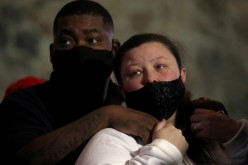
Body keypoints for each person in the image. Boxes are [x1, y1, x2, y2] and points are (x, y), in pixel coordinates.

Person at [0, 1, 158, 165]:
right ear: (52, 52)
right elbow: (24, 159)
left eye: (93, 40)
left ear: (114, 50)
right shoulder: (23, 103)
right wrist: (106, 116)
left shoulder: (131, 100)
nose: (80, 51)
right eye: (66, 42)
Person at [75, 33, 248, 164]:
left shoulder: (209, 134)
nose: (150, 78)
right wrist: (164, 152)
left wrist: (236, 136)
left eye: (160, 66)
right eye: (136, 72)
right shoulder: (109, 141)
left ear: (182, 76)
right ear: (122, 91)